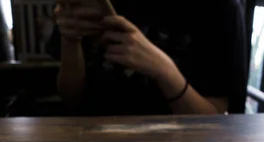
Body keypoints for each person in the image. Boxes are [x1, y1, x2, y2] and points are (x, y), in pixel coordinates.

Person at [49, 0, 247, 116]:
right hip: (94, 141)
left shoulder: (220, 9)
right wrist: (70, 39)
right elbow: (71, 99)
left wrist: (165, 71)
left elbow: (216, 118)